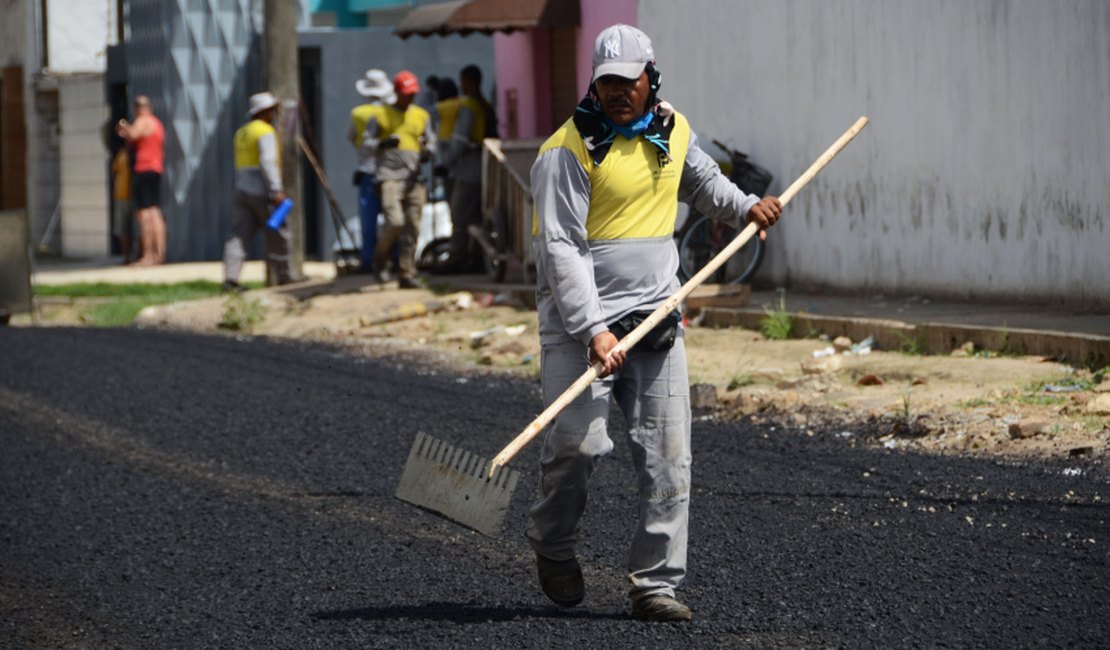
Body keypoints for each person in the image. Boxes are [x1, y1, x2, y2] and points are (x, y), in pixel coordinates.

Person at [526, 24, 782, 623]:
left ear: (651, 79)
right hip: (580, 326)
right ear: (596, 83)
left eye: (629, 81)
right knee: (577, 445)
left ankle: (655, 584)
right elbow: (561, 249)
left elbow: (703, 184)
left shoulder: (672, 129)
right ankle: (553, 543)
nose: (619, 93)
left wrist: (747, 206)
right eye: (608, 82)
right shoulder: (567, 151)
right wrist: (594, 329)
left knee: (669, 457)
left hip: (657, 318)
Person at [222, 92, 296, 291]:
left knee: (238, 235)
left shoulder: (242, 132)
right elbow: (267, 162)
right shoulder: (265, 131)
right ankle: (285, 277)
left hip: (242, 189)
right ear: (266, 112)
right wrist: (276, 190)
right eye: (272, 110)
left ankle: (231, 279)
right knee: (279, 232)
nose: (274, 113)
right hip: (261, 191)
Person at [370, 71, 435, 289]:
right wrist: (382, 143)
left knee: (412, 227)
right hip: (389, 177)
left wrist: (428, 151)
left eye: (413, 94)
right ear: (396, 92)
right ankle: (380, 261)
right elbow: (364, 144)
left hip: (414, 179)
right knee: (395, 222)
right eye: (406, 94)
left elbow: (431, 142)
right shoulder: (380, 115)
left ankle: (406, 273)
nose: (410, 98)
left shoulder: (421, 115)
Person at [435, 64, 498, 273]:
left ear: (469, 82)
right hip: (483, 169)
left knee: (459, 215)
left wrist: (445, 164)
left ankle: (456, 259)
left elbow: (460, 139)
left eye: (463, 81)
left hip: (469, 170)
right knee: (475, 218)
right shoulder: (485, 105)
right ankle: (476, 259)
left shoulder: (468, 107)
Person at [349, 68, 396, 273]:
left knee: (368, 219)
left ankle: (368, 260)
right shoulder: (391, 113)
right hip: (390, 172)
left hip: (366, 171)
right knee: (393, 217)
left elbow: (351, 137)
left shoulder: (358, 113)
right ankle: (393, 259)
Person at [116, 95, 166, 265]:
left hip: (143, 169)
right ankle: (159, 254)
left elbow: (133, 134)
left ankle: (148, 255)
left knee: (144, 214)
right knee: (155, 212)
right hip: (155, 169)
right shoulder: (157, 123)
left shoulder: (142, 121)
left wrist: (123, 127)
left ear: (138, 108)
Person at [110, 145, 135, 264]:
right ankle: (126, 257)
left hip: (135, 195)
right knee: (122, 228)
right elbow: (114, 171)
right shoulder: (121, 154)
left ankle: (138, 255)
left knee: (135, 228)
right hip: (121, 195)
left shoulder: (137, 152)